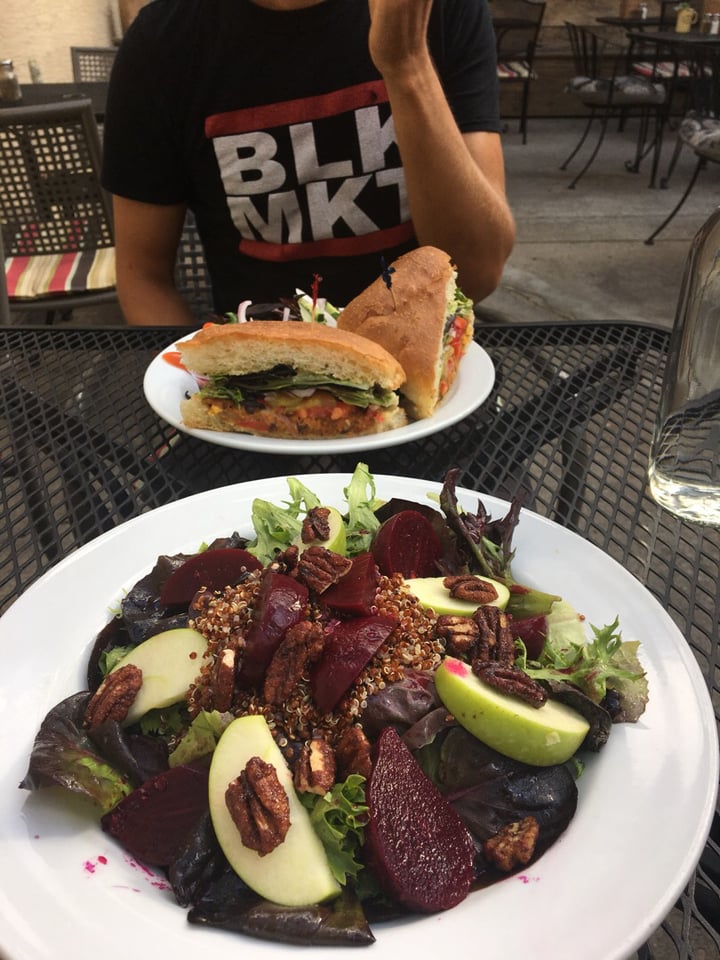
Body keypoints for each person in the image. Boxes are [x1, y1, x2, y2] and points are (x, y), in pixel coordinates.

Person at [102, 0, 516, 326]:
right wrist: (187, 388)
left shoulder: (439, 9)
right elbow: (144, 277)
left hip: (424, 360)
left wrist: (407, 64)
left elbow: (476, 275)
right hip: (263, 379)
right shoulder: (162, 44)